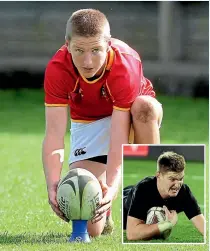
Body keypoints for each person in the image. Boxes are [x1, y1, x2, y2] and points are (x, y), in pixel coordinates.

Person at [42, 8, 163, 237]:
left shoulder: (124, 63)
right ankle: (105, 217)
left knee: (144, 107)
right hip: (88, 124)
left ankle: (150, 202)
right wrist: (53, 182)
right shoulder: (58, 69)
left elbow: (118, 135)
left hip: (130, 116)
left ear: (108, 44)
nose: (88, 61)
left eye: (96, 50)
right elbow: (54, 135)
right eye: (79, 50)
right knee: (92, 226)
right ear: (67, 45)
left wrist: (113, 185)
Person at [123, 151, 205, 240]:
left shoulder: (183, 192)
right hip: (125, 199)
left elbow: (204, 227)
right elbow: (132, 234)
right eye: (172, 179)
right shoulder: (144, 189)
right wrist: (167, 224)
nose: (177, 185)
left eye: (181, 178)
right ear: (158, 175)